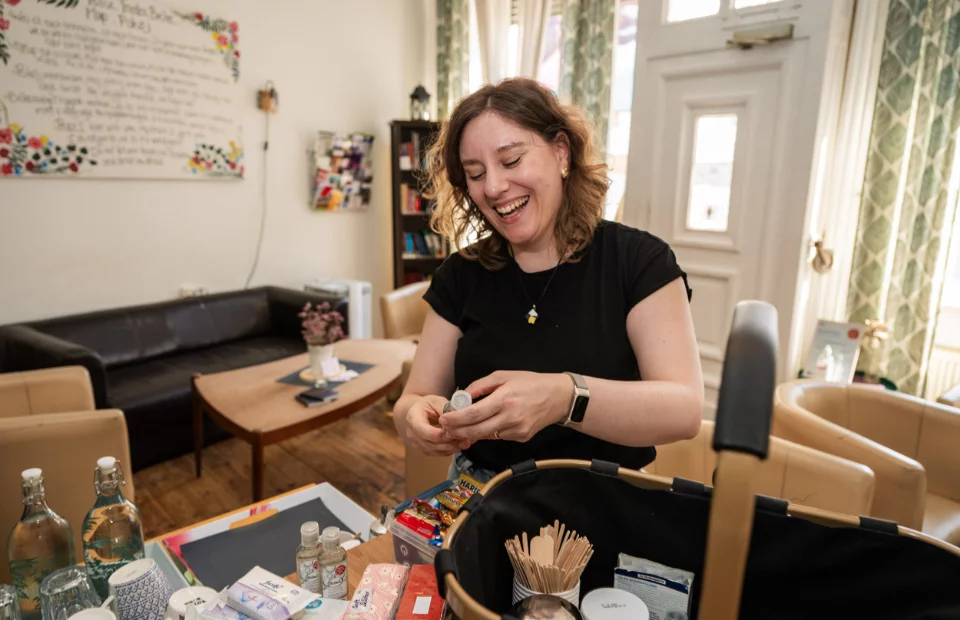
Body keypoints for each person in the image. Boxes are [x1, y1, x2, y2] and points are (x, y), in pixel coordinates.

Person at [393, 78, 703, 483]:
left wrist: (566, 398)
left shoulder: (638, 262)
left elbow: (684, 410)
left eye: (511, 160)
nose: (493, 187)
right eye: (475, 173)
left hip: (608, 495)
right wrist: (413, 419)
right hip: (483, 493)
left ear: (561, 152)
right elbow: (411, 399)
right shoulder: (460, 274)